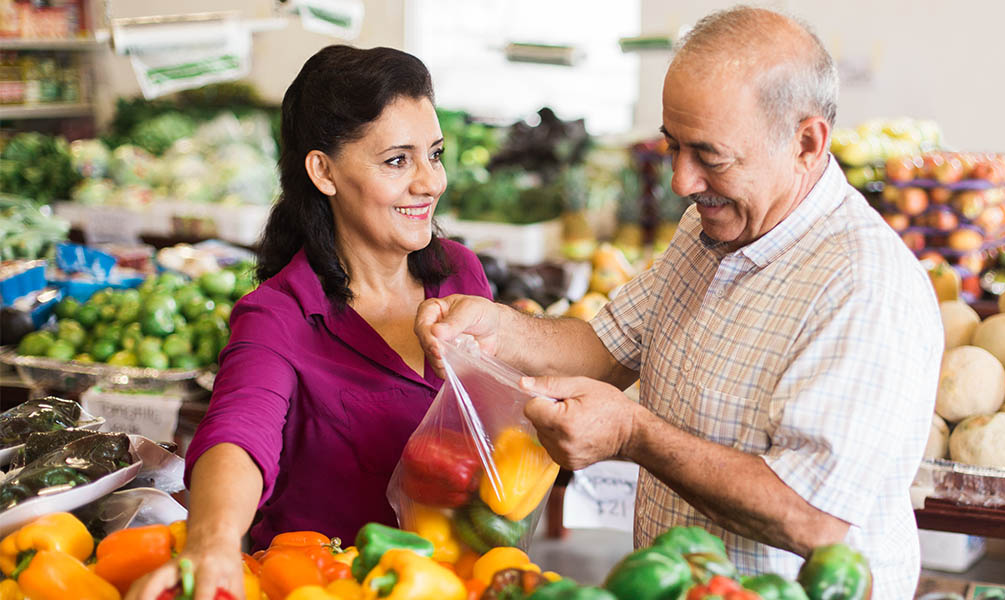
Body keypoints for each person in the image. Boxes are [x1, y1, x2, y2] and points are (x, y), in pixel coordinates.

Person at [416, 7, 942, 598]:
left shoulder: (863, 288)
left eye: (710, 156)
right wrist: (500, 329)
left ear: (806, 142)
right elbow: (604, 346)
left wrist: (633, 435)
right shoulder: (711, 228)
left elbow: (812, 518)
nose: (682, 183)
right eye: (674, 147)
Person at [129, 46, 491, 600]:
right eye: (397, 160)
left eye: (434, 154)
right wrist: (214, 540)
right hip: (328, 586)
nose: (431, 182)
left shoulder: (460, 273)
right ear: (324, 171)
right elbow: (238, 431)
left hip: (461, 582)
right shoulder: (280, 314)